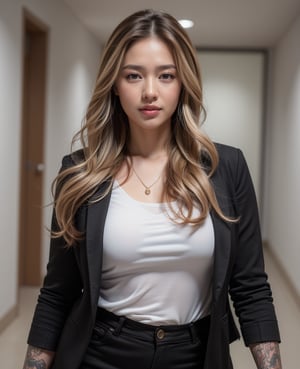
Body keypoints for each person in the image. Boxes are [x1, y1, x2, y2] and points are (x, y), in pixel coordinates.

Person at [23, 9, 282, 369]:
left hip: (196, 355)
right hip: (100, 353)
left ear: (183, 83)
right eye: (133, 75)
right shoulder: (81, 172)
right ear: (115, 83)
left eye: (166, 76)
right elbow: (57, 294)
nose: (149, 92)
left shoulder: (227, 168)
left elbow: (251, 287)